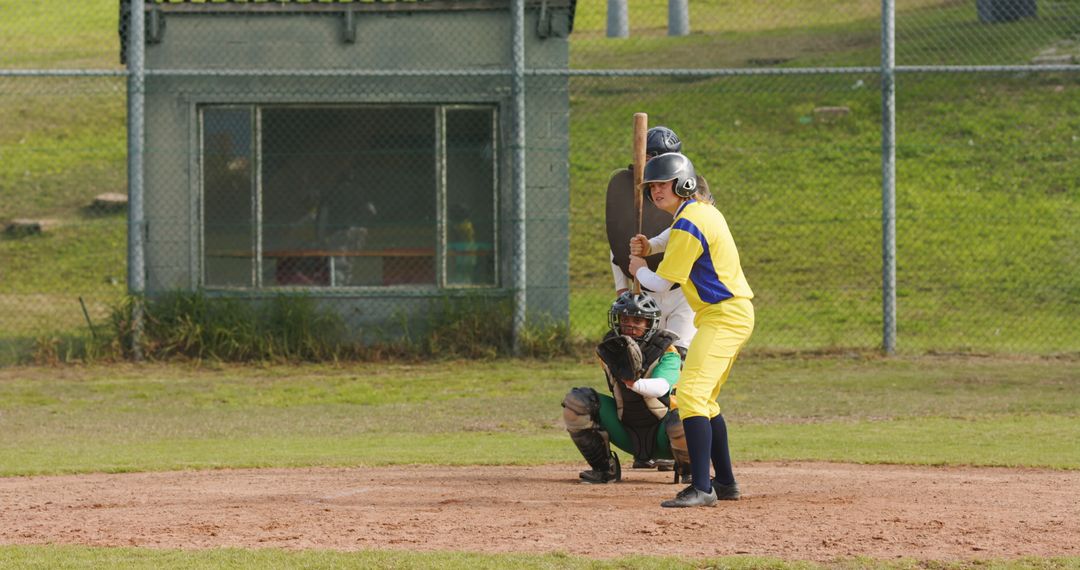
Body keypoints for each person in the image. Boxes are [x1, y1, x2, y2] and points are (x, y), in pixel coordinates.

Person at [628, 152, 754, 508]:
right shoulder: (697, 213)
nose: (655, 191)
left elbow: (662, 283)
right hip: (727, 315)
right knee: (706, 402)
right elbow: (673, 235)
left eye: (662, 183)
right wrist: (651, 245)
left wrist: (637, 267)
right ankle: (725, 483)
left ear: (683, 183)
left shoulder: (690, 222)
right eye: (651, 186)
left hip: (724, 316)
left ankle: (702, 487)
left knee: (692, 396)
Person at [561, 292, 692, 484]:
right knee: (577, 402)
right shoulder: (611, 348)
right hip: (626, 430)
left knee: (684, 417)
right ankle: (604, 469)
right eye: (624, 318)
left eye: (638, 320)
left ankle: (690, 470)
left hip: (665, 437)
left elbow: (661, 387)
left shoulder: (668, 351)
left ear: (649, 324)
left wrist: (635, 383)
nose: (629, 325)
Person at [606, 126, 712, 359]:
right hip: (645, 294)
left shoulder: (691, 193)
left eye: (648, 158)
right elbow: (618, 242)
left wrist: (645, 261)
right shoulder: (625, 189)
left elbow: (685, 236)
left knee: (678, 356)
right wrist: (622, 288)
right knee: (645, 360)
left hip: (683, 291)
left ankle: (678, 397)